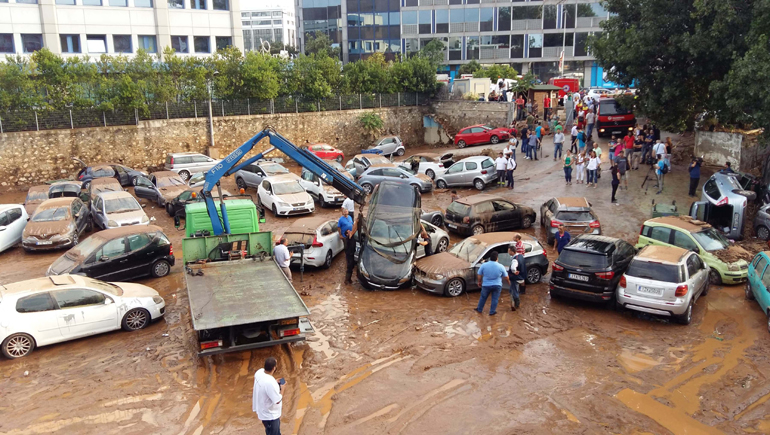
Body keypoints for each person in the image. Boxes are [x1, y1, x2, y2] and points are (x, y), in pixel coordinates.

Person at [253, 357, 284, 435]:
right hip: (270, 416)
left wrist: (275, 381)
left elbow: (265, 383)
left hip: (262, 411)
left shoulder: (259, 372)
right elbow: (277, 401)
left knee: (271, 431)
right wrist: (283, 388)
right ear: (274, 368)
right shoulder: (270, 383)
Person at [475, 250, 509, 316]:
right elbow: (506, 277)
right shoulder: (501, 266)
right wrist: (509, 283)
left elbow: (479, 275)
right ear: (497, 258)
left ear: (490, 257)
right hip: (497, 285)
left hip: (486, 285)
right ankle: (492, 312)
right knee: (495, 299)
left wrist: (479, 282)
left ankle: (479, 309)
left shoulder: (484, 265)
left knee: (483, 297)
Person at [338, 208, 356, 284]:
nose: (346, 212)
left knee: (350, 267)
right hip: (350, 255)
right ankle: (347, 280)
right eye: (344, 211)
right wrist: (341, 235)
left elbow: (353, 226)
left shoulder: (349, 217)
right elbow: (338, 227)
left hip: (351, 255)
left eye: (347, 211)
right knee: (349, 267)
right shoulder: (349, 240)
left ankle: (348, 280)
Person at [507, 245, 521, 311]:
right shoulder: (520, 256)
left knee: (514, 290)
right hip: (519, 277)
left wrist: (514, 272)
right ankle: (514, 303)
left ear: (512, 251)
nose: (508, 252)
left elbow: (513, 268)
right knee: (514, 289)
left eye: (509, 250)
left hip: (514, 277)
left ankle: (516, 304)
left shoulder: (514, 260)